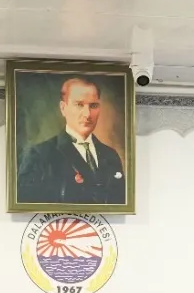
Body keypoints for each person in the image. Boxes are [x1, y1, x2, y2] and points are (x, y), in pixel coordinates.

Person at [17, 75, 127, 206]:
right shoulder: (39, 155)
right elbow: (27, 206)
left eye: (93, 105)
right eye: (79, 105)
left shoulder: (111, 156)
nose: (87, 114)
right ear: (63, 108)